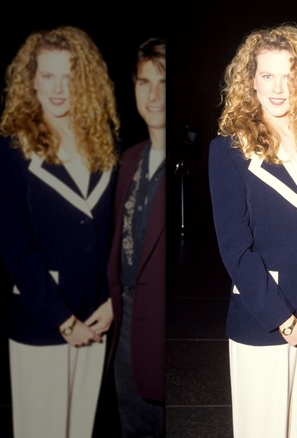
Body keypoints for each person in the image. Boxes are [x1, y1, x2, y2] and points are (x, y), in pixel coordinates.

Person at [207, 24, 297, 438]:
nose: (279, 88)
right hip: (264, 318)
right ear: (251, 80)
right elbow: (235, 249)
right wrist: (284, 320)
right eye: (267, 75)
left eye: (290, 75)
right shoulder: (229, 148)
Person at [0, 26, 118, 438]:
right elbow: (16, 250)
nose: (59, 89)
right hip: (43, 319)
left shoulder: (103, 144)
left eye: (69, 76)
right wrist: (64, 320)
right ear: (31, 80)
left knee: (80, 430)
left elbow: (114, 236)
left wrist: (113, 301)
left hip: (96, 319)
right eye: (48, 76)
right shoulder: (12, 149)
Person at [107, 37, 166, 437]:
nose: (154, 94)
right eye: (144, 82)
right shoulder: (128, 160)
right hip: (124, 324)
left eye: (163, 81)